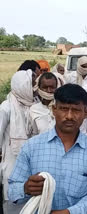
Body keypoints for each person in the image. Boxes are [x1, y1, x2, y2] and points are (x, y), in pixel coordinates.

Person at [8, 84, 87, 213]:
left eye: (76, 110)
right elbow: (12, 191)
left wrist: (69, 212)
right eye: (64, 109)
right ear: (54, 110)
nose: (69, 116)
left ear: (86, 113)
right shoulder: (31, 147)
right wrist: (25, 188)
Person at [0, 70, 34, 213]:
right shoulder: (6, 107)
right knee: (13, 200)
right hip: (12, 159)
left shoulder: (34, 104)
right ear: (22, 85)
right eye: (31, 84)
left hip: (31, 159)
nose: (34, 88)